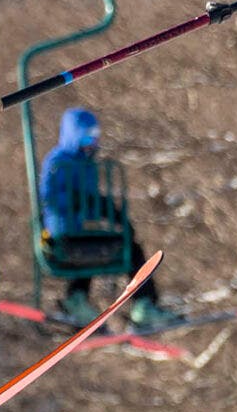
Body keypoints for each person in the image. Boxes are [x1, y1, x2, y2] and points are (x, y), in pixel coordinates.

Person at [37, 106, 181, 331]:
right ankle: (138, 304)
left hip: (81, 230)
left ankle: (82, 299)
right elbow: (51, 197)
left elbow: (93, 198)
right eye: (86, 137)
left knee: (121, 247)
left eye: (94, 138)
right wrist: (76, 202)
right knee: (106, 250)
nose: (91, 143)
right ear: (73, 136)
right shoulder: (59, 162)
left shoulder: (87, 164)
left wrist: (114, 215)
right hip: (63, 234)